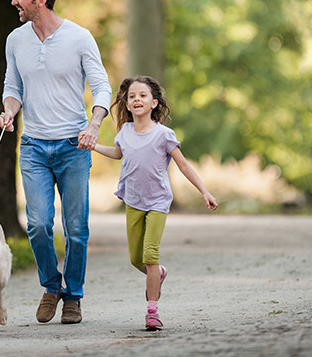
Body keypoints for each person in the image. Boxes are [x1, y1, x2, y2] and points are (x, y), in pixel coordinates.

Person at [0, 0, 112, 325]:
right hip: (33, 146)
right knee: (37, 224)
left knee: (76, 229)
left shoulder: (79, 37)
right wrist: (9, 112)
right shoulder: (15, 40)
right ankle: (51, 285)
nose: (14, 0)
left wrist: (94, 124)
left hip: (73, 146)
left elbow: (102, 86)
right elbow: (12, 87)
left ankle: (73, 296)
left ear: (40, 0)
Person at [92, 76, 218, 331]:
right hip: (133, 201)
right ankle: (158, 273)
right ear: (127, 105)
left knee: (150, 255)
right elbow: (118, 153)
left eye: (142, 95)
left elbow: (182, 164)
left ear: (154, 103)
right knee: (135, 259)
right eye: (131, 97)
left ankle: (152, 312)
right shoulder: (125, 132)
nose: (136, 99)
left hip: (158, 202)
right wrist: (93, 146)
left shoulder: (163, 134)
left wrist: (204, 191)